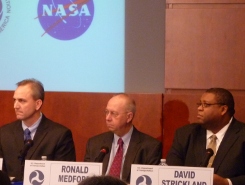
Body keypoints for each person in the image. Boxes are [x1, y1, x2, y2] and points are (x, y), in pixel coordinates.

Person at [0, 78, 76, 181]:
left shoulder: (60, 135)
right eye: (15, 100)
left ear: (38, 104)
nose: (15, 106)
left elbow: (63, 179)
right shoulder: (4, 134)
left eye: (22, 101)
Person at [166, 88, 245, 185]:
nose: (199, 108)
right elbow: (171, 170)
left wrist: (227, 182)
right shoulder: (185, 134)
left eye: (206, 105)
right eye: (199, 104)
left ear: (223, 109)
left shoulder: (242, 135)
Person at [84, 93, 162, 183]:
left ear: (129, 117)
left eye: (114, 113)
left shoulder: (150, 147)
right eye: (106, 112)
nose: (107, 118)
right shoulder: (94, 144)